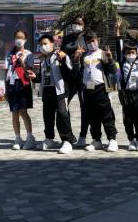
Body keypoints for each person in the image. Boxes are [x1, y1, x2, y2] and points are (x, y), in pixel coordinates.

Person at [73, 30, 118, 152]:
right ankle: (96, 140)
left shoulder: (103, 53)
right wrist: (76, 59)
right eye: (88, 42)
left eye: (93, 40)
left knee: (106, 115)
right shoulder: (84, 55)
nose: (91, 43)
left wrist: (110, 58)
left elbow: (113, 70)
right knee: (92, 116)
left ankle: (112, 139)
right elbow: (77, 71)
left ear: (97, 40)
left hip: (101, 88)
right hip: (88, 89)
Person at [36, 34, 76, 154]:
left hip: (60, 90)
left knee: (62, 115)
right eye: (41, 44)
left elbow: (70, 73)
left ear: (52, 44)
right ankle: (49, 139)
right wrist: (34, 77)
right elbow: (42, 76)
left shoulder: (61, 55)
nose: (43, 46)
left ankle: (67, 140)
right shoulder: (43, 59)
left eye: (45, 44)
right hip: (47, 90)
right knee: (47, 116)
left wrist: (62, 60)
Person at [115, 20, 138, 152]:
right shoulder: (122, 61)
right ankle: (131, 140)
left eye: (133, 52)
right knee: (127, 119)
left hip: (136, 93)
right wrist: (117, 30)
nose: (131, 54)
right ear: (124, 54)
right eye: (128, 52)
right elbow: (119, 45)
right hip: (125, 94)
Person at [5, 29, 36, 150]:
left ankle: (30, 137)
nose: (19, 40)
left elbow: (29, 71)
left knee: (23, 111)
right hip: (12, 85)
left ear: (25, 40)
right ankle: (17, 138)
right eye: (17, 37)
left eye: (21, 37)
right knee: (14, 113)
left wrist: (22, 62)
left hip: (23, 84)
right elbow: (6, 72)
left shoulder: (29, 54)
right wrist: (6, 89)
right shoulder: (9, 54)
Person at [60, 16, 89, 147]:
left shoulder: (87, 38)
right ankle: (68, 136)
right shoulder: (66, 38)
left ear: (84, 25)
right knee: (63, 106)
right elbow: (62, 54)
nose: (76, 25)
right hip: (68, 76)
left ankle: (83, 136)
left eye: (79, 23)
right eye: (74, 23)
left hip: (82, 76)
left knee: (85, 106)